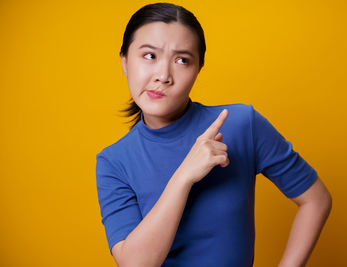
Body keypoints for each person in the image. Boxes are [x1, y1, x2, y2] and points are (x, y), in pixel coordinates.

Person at [95, 2, 332, 267]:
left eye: (182, 60)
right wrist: (184, 176)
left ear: (197, 70)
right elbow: (135, 264)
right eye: (150, 55)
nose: (163, 75)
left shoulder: (241, 124)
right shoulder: (113, 161)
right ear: (125, 61)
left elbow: (316, 199)